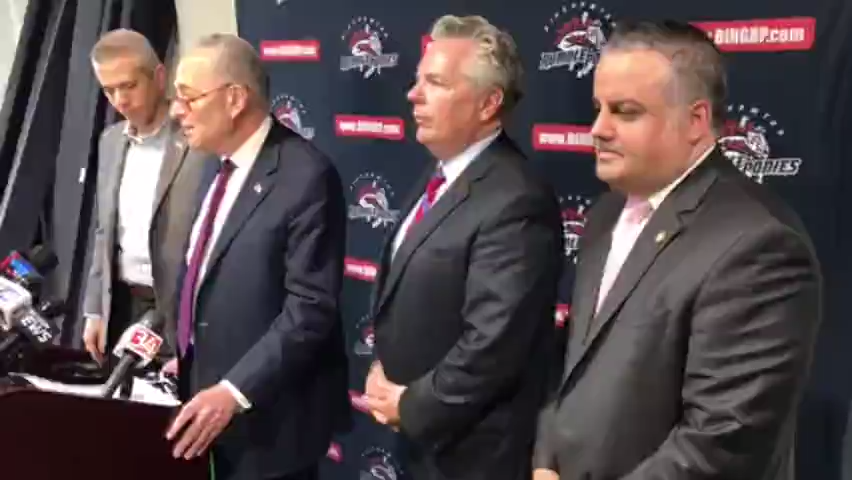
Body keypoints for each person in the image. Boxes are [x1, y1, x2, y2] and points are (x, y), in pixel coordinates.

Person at [532, 20, 822, 480]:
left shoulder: (760, 246)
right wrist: (546, 460)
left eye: (625, 112)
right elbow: (575, 367)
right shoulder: (606, 213)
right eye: (597, 108)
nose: (597, 129)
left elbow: (722, 443)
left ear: (696, 121)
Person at [364, 15, 564, 480]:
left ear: (488, 102)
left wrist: (412, 405)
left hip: (473, 456)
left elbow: (493, 346)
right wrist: (384, 367)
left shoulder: (516, 199)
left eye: (434, 82)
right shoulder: (440, 175)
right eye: (417, 80)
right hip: (422, 443)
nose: (413, 95)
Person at [163, 33, 349, 480]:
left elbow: (309, 311)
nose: (175, 111)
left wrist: (233, 391)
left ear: (234, 99)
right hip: (205, 409)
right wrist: (187, 352)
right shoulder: (213, 163)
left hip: (269, 425)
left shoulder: (305, 177)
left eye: (188, 97)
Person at [82, 28, 183, 366]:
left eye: (128, 86)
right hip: (124, 304)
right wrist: (95, 309)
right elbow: (104, 232)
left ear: (158, 77)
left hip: (181, 306)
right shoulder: (110, 141)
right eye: (109, 90)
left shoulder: (196, 139)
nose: (119, 101)